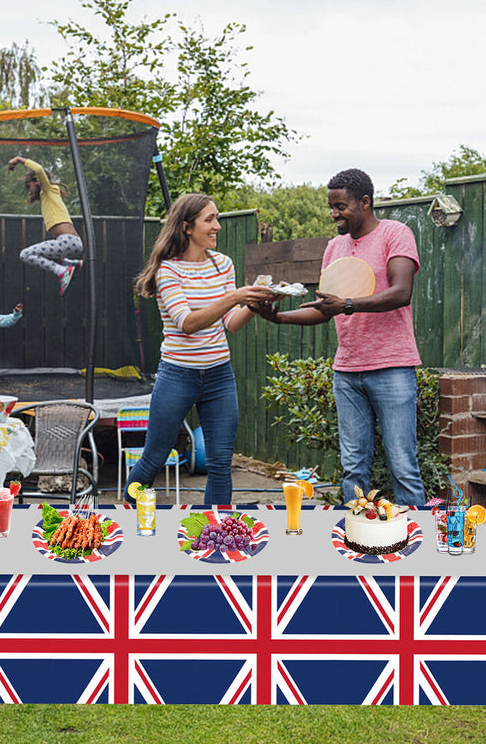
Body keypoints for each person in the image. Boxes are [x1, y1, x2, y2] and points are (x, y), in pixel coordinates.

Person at [254, 168, 426, 507]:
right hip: (346, 372)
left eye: (341, 206)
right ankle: (356, 540)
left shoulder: (396, 234)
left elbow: (401, 292)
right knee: (353, 468)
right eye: (331, 206)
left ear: (365, 202)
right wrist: (278, 317)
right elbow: (325, 309)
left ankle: (413, 548)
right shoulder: (335, 247)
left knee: (403, 467)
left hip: (392, 367)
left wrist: (347, 303)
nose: (334, 213)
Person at [123, 193, 274, 506]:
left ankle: (212, 537)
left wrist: (257, 306)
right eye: (210, 219)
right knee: (154, 458)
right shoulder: (168, 271)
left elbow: (230, 323)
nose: (217, 225)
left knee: (220, 465)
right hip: (178, 376)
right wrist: (235, 297)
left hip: (219, 376)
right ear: (186, 227)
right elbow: (187, 323)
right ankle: (128, 517)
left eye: (217, 218)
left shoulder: (222, 265)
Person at [8, 156, 83, 295]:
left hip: (68, 241)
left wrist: (19, 159)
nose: (29, 191)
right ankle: (72, 264)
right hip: (71, 243)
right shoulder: (47, 197)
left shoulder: (48, 189)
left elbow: (38, 169)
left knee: (25, 254)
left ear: (37, 182)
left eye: (29, 186)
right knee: (45, 253)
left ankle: (62, 271)